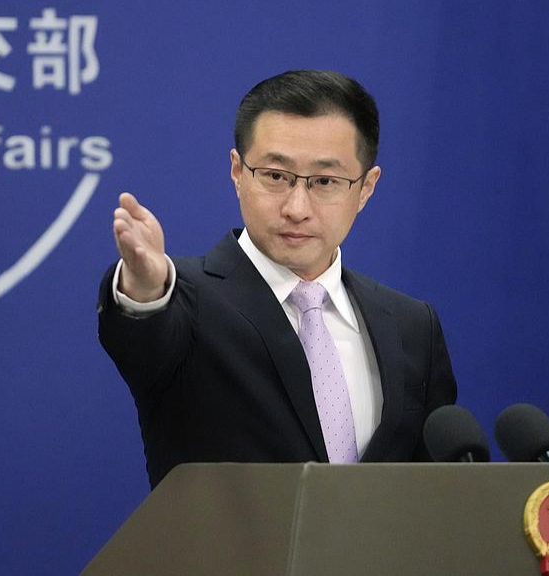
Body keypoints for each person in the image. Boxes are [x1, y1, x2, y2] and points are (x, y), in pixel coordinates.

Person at [98, 70, 457, 488]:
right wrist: (146, 290)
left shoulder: (412, 326)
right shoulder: (186, 300)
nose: (296, 208)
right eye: (275, 176)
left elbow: (433, 490)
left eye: (325, 181)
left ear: (366, 188)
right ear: (237, 172)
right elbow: (144, 339)